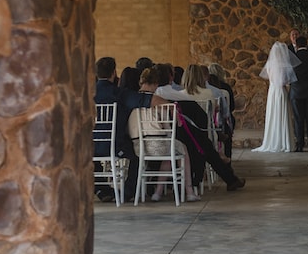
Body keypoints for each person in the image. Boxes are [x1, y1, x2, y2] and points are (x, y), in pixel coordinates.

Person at [156, 64, 247, 197]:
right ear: (171, 76)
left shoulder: (159, 95)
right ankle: (214, 179)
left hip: (160, 135)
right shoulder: (182, 95)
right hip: (187, 134)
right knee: (204, 145)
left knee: (203, 145)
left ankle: (225, 178)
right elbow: (205, 119)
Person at [94, 56, 142, 202]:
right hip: (115, 145)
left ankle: (102, 190)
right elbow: (142, 101)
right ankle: (127, 192)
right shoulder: (119, 93)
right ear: (114, 73)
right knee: (138, 156)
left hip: (90, 145)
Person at [257, 41, 299, 152]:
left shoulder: (270, 64)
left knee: (273, 115)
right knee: (282, 115)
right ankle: (284, 142)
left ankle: (272, 140)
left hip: (272, 92)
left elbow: (271, 78)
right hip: (280, 92)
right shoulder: (284, 65)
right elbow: (283, 81)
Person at [207, 62, 236, 159]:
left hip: (208, 121)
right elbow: (232, 107)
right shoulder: (226, 87)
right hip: (222, 122)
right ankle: (228, 157)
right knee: (228, 126)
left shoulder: (206, 88)